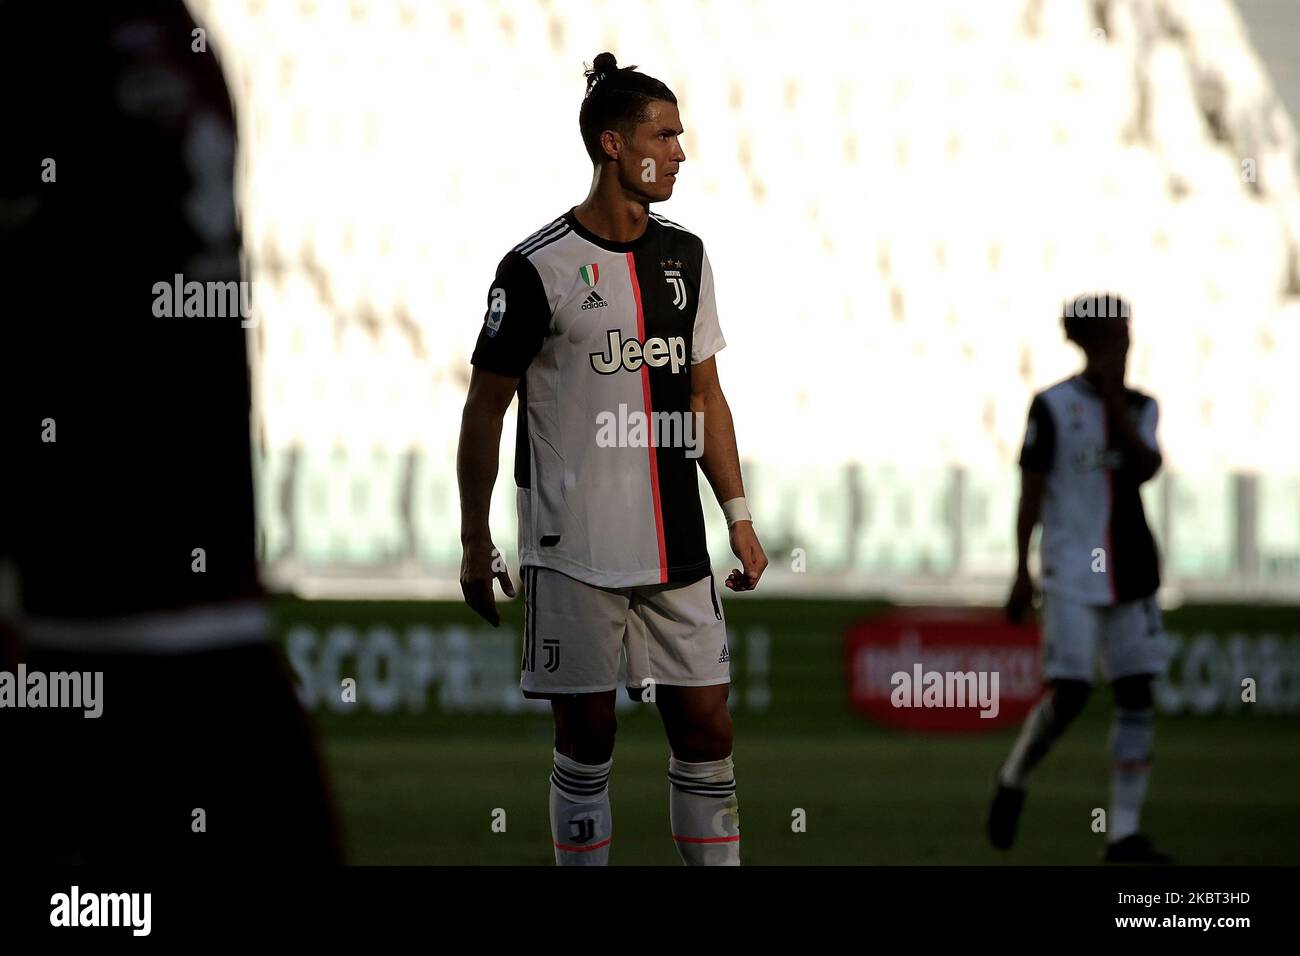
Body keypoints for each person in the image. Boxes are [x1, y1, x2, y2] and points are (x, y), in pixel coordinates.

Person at [457, 52, 766, 866]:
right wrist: (472, 537)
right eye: (664, 134)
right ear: (612, 146)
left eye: (680, 133)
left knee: (707, 726)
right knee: (587, 735)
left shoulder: (686, 258)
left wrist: (738, 516)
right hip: (574, 551)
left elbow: (706, 396)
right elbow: (485, 407)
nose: (681, 150)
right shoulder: (536, 269)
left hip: (676, 551)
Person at [988, 293, 1172, 863]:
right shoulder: (1050, 406)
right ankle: (1014, 778)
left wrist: (1114, 402)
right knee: (1069, 695)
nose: (1124, 344)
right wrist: (1021, 568)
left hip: (1133, 571)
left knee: (1137, 692)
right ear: (1090, 342)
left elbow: (1147, 468)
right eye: (1114, 335)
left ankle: (1123, 835)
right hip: (1070, 571)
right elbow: (1031, 492)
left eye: (1126, 334)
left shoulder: (1141, 406)